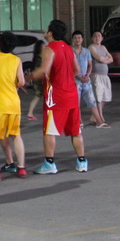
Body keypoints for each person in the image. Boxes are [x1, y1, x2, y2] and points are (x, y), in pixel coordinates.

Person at [27, 19, 88, 174]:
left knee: (49, 131)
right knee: (75, 131)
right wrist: (65, 78)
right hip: (71, 94)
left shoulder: (49, 49)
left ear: (51, 32)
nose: (45, 31)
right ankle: (82, 162)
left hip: (55, 96)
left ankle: (49, 164)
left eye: (47, 29)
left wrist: (28, 77)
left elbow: (44, 70)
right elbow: (77, 70)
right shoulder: (68, 48)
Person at [0, 31, 27, 180]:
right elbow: (22, 82)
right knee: (16, 135)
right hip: (13, 103)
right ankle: (21, 168)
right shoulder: (16, 60)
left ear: (0, 44)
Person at [71, 30, 107, 128]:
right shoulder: (70, 51)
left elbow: (90, 65)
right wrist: (79, 77)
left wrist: (87, 76)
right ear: (73, 40)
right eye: (75, 38)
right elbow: (70, 67)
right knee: (76, 102)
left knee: (92, 101)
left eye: (79, 38)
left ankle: (99, 121)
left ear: (82, 39)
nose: (77, 40)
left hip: (86, 80)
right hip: (75, 81)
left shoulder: (86, 51)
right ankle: (79, 121)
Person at [89, 31, 114, 125]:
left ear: (102, 38)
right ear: (92, 38)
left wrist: (105, 59)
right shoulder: (91, 47)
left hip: (105, 76)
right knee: (98, 98)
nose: (97, 37)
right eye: (95, 36)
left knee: (104, 97)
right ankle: (100, 117)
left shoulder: (103, 47)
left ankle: (93, 117)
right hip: (96, 76)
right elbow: (98, 58)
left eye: (99, 36)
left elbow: (111, 59)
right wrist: (106, 59)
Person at [26, 39, 45, 121]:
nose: (45, 47)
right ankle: (30, 113)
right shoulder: (38, 58)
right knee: (38, 95)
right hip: (39, 80)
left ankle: (30, 113)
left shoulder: (39, 57)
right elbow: (38, 70)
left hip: (40, 79)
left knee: (39, 96)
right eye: (43, 46)